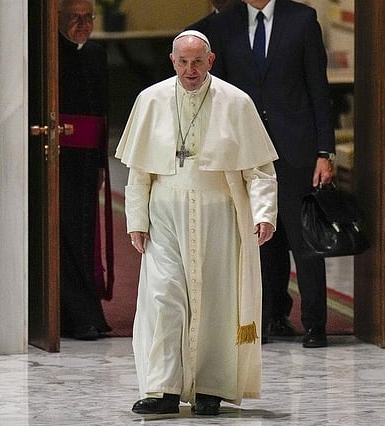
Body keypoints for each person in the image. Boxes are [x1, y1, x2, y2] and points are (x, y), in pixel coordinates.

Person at [115, 30, 278, 416]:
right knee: (164, 297)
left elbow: (259, 169)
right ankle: (163, 388)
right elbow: (139, 172)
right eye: (183, 62)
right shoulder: (150, 99)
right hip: (164, 213)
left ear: (211, 61)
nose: (190, 70)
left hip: (220, 213)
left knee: (215, 300)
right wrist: (136, 219)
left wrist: (263, 213)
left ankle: (210, 387)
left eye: (198, 62)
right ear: (172, 61)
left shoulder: (236, 102)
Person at [205, 0, 336, 347]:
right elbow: (218, 91)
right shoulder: (224, 24)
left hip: (296, 151)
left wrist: (325, 151)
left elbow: (318, 88)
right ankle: (267, 319)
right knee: (260, 241)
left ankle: (315, 325)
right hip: (246, 150)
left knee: (303, 241)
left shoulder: (302, 19)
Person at [58, 0, 113, 340]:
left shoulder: (96, 54)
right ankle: (77, 316)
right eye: (74, 18)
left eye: (88, 17)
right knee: (66, 235)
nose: (83, 24)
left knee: (85, 236)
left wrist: (101, 162)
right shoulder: (50, 54)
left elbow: (101, 110)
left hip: (88, 161)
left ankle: (88, 313)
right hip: (59, 158)